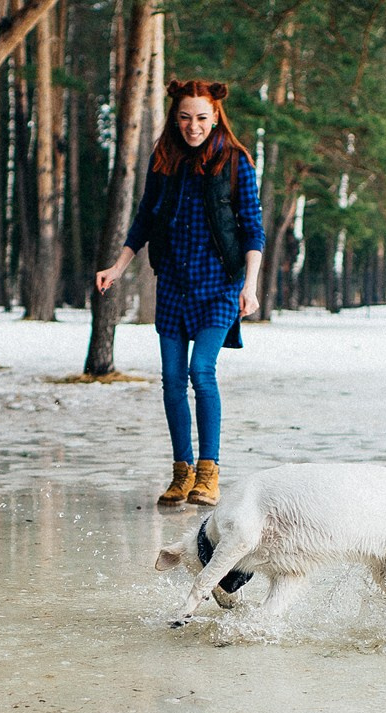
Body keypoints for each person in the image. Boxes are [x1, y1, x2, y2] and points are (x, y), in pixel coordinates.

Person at [96, 79, 265, 507]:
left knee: (200, 372)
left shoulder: (235, 162)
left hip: (219, 287)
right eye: (185, 117)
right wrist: (117, 267)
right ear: (176, 116)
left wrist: (251, 285)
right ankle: (181, 473)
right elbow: (145, 221)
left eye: (202, 118)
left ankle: (209, 474)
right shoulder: (164, 159)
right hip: (172, 284)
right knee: (172, 379)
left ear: (216, 117)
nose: (193, 127)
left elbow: (253, 230)